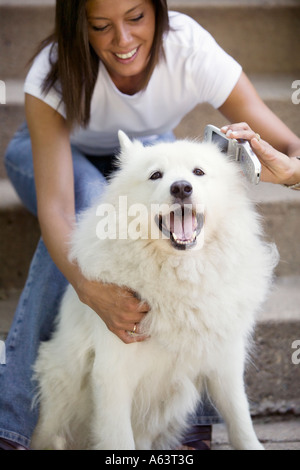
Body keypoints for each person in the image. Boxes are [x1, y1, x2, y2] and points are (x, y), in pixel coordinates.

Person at [0, 0, 299, 451]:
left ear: (159, 14)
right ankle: (14, 422)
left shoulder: (190, 48)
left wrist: (291, 172)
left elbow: (288, 145)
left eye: (136, 18)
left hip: (142, 150)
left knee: (171, 169)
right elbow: (60, 212)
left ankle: (194, 419)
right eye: (101, 26)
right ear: (78, 27)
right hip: (50, 154)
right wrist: (89, 287)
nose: (122, 40)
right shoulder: (53, 70)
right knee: (96, 197)